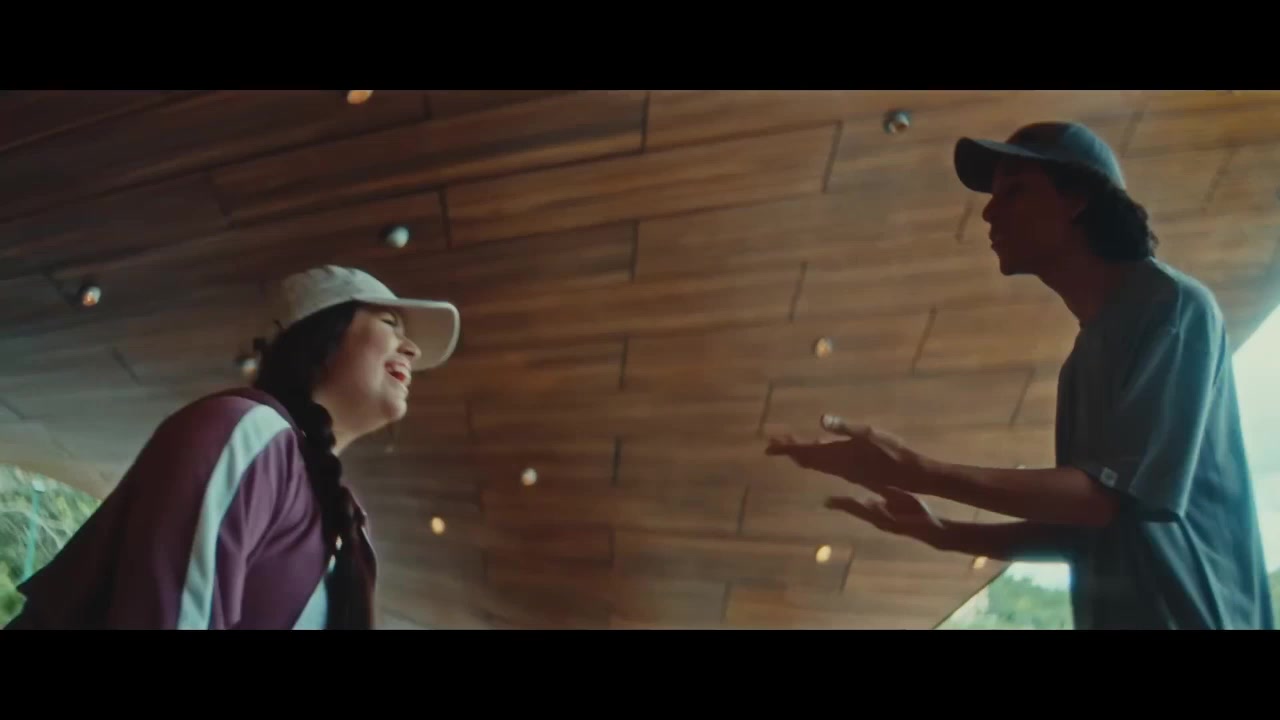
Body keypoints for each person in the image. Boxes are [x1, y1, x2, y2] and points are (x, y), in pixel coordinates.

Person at [767, 121, 1275, 630]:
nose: (989, 211)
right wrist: (943, 533)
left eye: (1014, 191)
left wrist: (919, 471)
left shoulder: (1174, 307)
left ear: (1077, 199)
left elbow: (1102, 503)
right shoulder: (1082, 360)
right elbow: (1087, 528)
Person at [5, 266, 460, 630]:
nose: (413, 349)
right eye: (389, 323)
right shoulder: (245, 431)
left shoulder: (349, 519)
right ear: (324, 335)